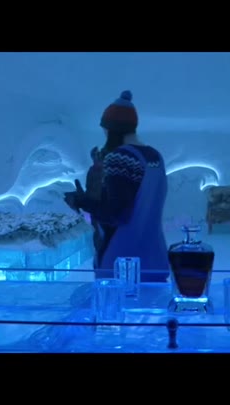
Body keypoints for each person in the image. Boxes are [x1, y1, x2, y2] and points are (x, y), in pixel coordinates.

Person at [65, 90, 169, 282]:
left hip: (123, 262)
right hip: (155, 259)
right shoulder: (155, 156)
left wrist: (82, 201)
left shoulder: (120, 157)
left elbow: (116, 214)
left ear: (111, 129)